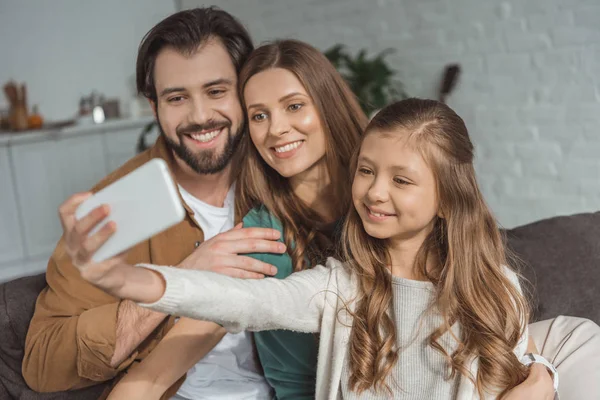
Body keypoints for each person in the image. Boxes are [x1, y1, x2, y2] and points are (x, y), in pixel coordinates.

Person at [66, 98, 600, 399]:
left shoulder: (492, 289)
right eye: (366, 171)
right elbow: (247, 302)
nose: (374, 191)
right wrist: (128, 280)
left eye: (401, 180)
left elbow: (517, 370)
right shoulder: (340, 288)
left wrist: (543, 380)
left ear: (445, 199)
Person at [23, 8, 286, 400]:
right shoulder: (112, 208)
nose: (200, 116)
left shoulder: (282, 174)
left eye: (216, 91)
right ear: (154, 106)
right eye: (177, 97)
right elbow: (43, 363)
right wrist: (181, 281)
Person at [105, 39, 367, 400]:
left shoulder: (379, 203)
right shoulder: (263, 238)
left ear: (328, 105)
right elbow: (153, 377)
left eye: (294, 106)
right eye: (259, 115)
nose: (277, 129)